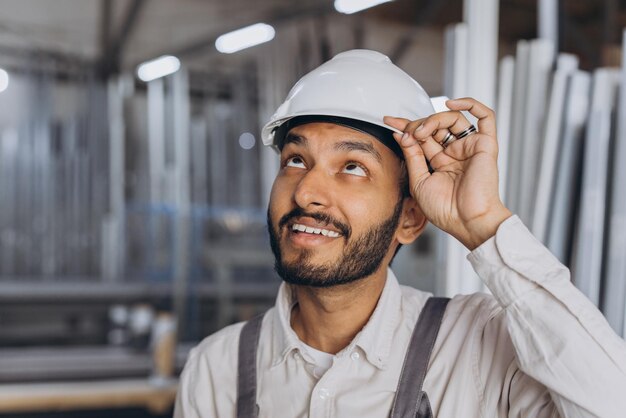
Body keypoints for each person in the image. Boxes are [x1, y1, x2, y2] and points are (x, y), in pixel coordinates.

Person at [174, 50, 626, 417]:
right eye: (296, 160)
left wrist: (484, 223)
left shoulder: (481, 347)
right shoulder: (218, 368)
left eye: (352, 167)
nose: (307, 191)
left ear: (409, 218)